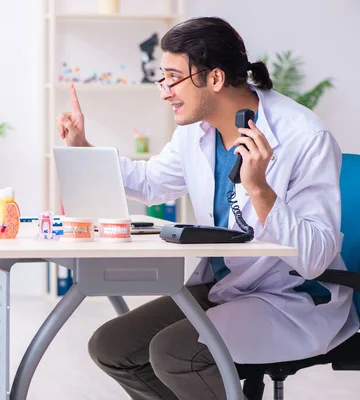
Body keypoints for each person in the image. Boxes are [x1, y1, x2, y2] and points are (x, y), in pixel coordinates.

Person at [57, 17, 359, 400]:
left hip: (293, 297)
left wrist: (261, 191)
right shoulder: (194, 131)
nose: (164, 91)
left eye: (172, 78)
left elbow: (316, 258)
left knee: (177, 355)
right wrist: (82, 147)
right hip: (229, 286)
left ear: (213, 78)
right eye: (161, 78)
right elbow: (150, 182)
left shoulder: (304, 137)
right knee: (112, 347)